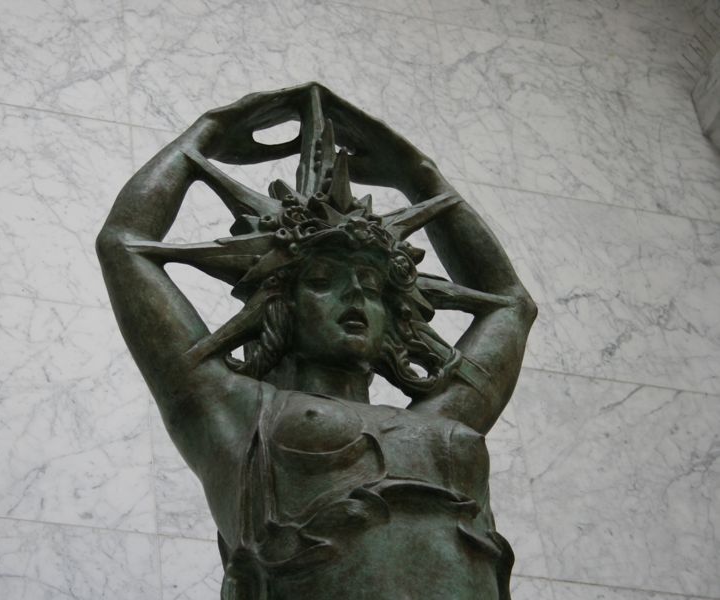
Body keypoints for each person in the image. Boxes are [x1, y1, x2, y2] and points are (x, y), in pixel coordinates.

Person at [97, 83, 537, 600]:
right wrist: (204, 136)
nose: (355, 295)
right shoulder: (232, 409)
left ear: (394, 313)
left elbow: (512, 305)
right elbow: (124, 245)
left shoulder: (443, 417)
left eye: (371, 285)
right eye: (324, 279)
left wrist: (421, 175)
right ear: (281, 304)